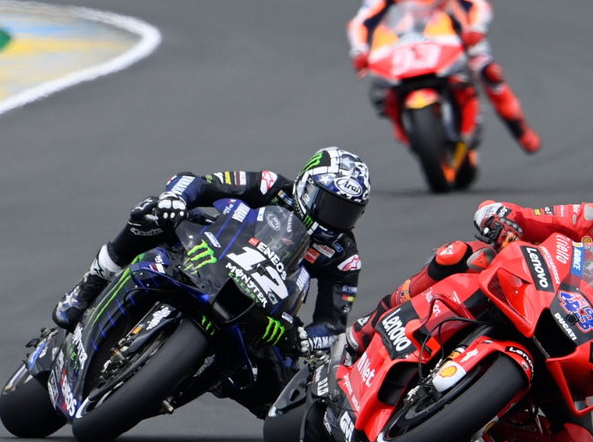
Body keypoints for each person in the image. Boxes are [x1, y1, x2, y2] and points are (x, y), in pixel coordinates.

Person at [345, 179, 593, 442]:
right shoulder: (590, 219)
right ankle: (374, 321)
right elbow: (524, 218)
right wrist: (500, 219)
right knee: (460, 255)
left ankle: (493, 418)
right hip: (530, 290)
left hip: (574, 342)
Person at [52, 147, 372, 359]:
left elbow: (332, 325)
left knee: (277, 380)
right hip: (210, 252)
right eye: (329, 204)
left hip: (262, 309)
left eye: (347, 212)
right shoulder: (271, 186)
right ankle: (92, 282)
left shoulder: (344, 255)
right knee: (149, 214)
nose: (335, 218)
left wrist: (306, 341)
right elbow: (201, 183)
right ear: (306, 186)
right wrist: (175, 199)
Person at [347, 0, 540, 154]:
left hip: (458, 36)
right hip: (408, 42)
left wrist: (477, 27)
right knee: (381, 88)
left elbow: (476, 2)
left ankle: (520, 130)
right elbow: (362, 20)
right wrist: (358, 50)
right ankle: (402, 127)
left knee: (489, 73)